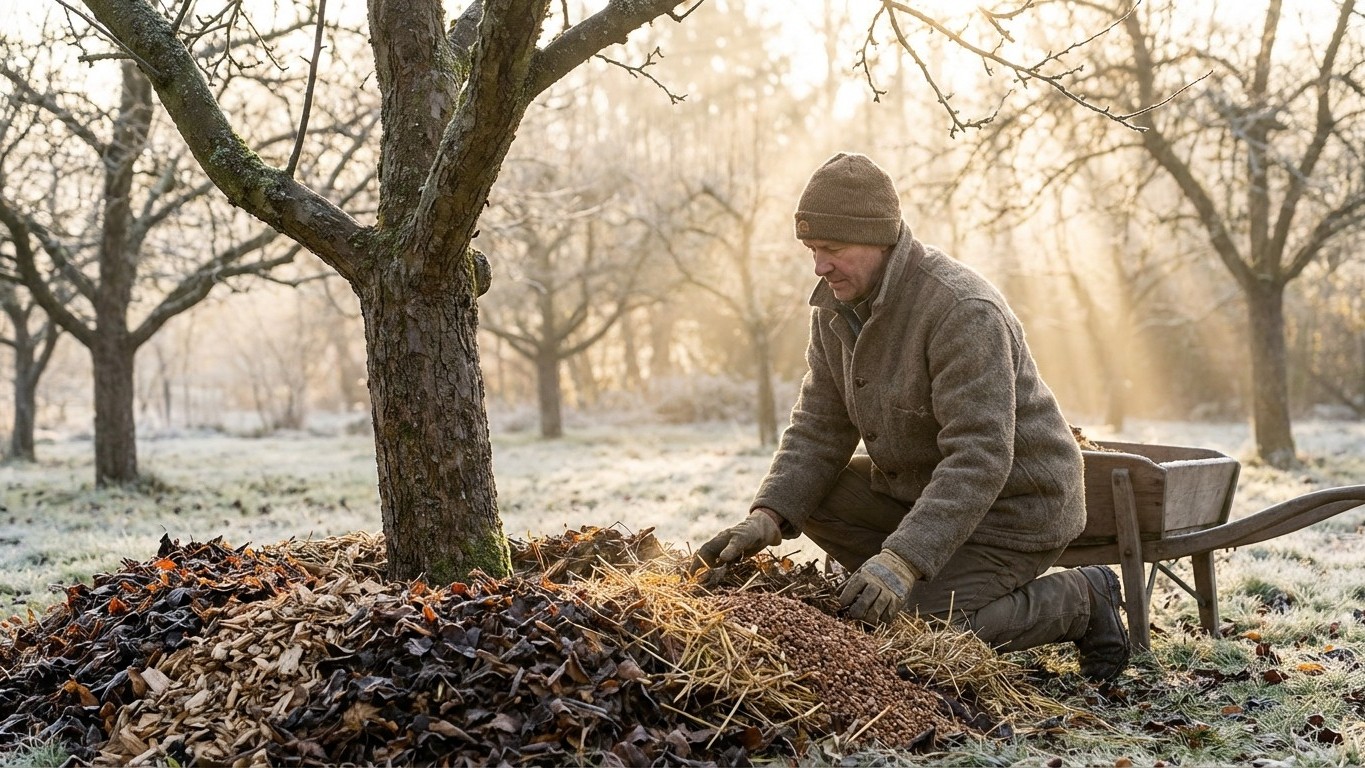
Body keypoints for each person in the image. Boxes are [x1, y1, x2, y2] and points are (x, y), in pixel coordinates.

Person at [694, 152, 1130, 682]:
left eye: (832, 249)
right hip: (920, 495)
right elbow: (819, 426)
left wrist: (900, 560)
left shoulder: (962, 310)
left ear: (879, 240)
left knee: (918, 628)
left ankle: (1084, 597)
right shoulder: (836, 309)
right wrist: (767, 517)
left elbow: (980, 457)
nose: (818, 266)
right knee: (811, 495)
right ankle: (912, 581)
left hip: (1014, 510)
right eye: (812, 250)